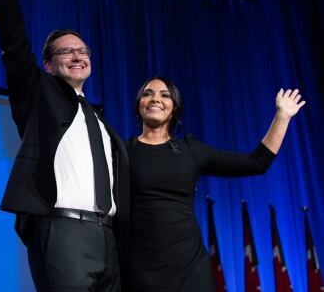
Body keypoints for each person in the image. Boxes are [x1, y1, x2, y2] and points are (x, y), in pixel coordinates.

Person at [0, 0, 130, 291]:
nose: (77, 56)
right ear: (48, 65)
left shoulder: (98, 118)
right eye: (66, 51)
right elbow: (16, 46)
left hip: (108, 239)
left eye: (82, 51)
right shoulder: (39, 96)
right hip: (63, 233)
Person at [127, 76, 305, 291]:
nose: (155, 99)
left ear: (174, 108)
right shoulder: (121, 151)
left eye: (165, 95)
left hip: (189, 270)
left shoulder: (190, 149)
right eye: (147, 93)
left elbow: (256, 163)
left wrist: (282, 117)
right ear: (139, 104)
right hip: (138, 269)